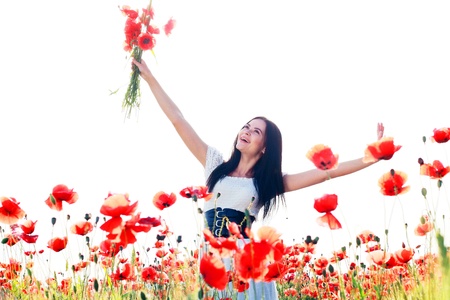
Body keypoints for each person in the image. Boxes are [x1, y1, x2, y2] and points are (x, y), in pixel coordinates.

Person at [132, 58, 385, 299]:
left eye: (255, 131)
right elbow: (178, 119)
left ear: (265, 147)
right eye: (246, 126)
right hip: (212, 257)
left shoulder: (267, 183)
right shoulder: (214, 165)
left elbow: (326, 173)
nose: (246, 131)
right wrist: (151, 79)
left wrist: (372, 156)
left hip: (247, 262)